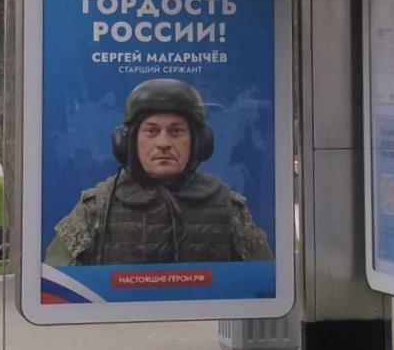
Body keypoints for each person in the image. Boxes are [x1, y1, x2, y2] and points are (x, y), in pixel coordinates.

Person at [48, 79, 274, 266]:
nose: (164, 143)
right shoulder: (95, 208)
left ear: (199, 142)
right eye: (151, 131)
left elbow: (264, 283)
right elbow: (57, 285)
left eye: (176, 131)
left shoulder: (228, 208)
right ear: (127, 142)